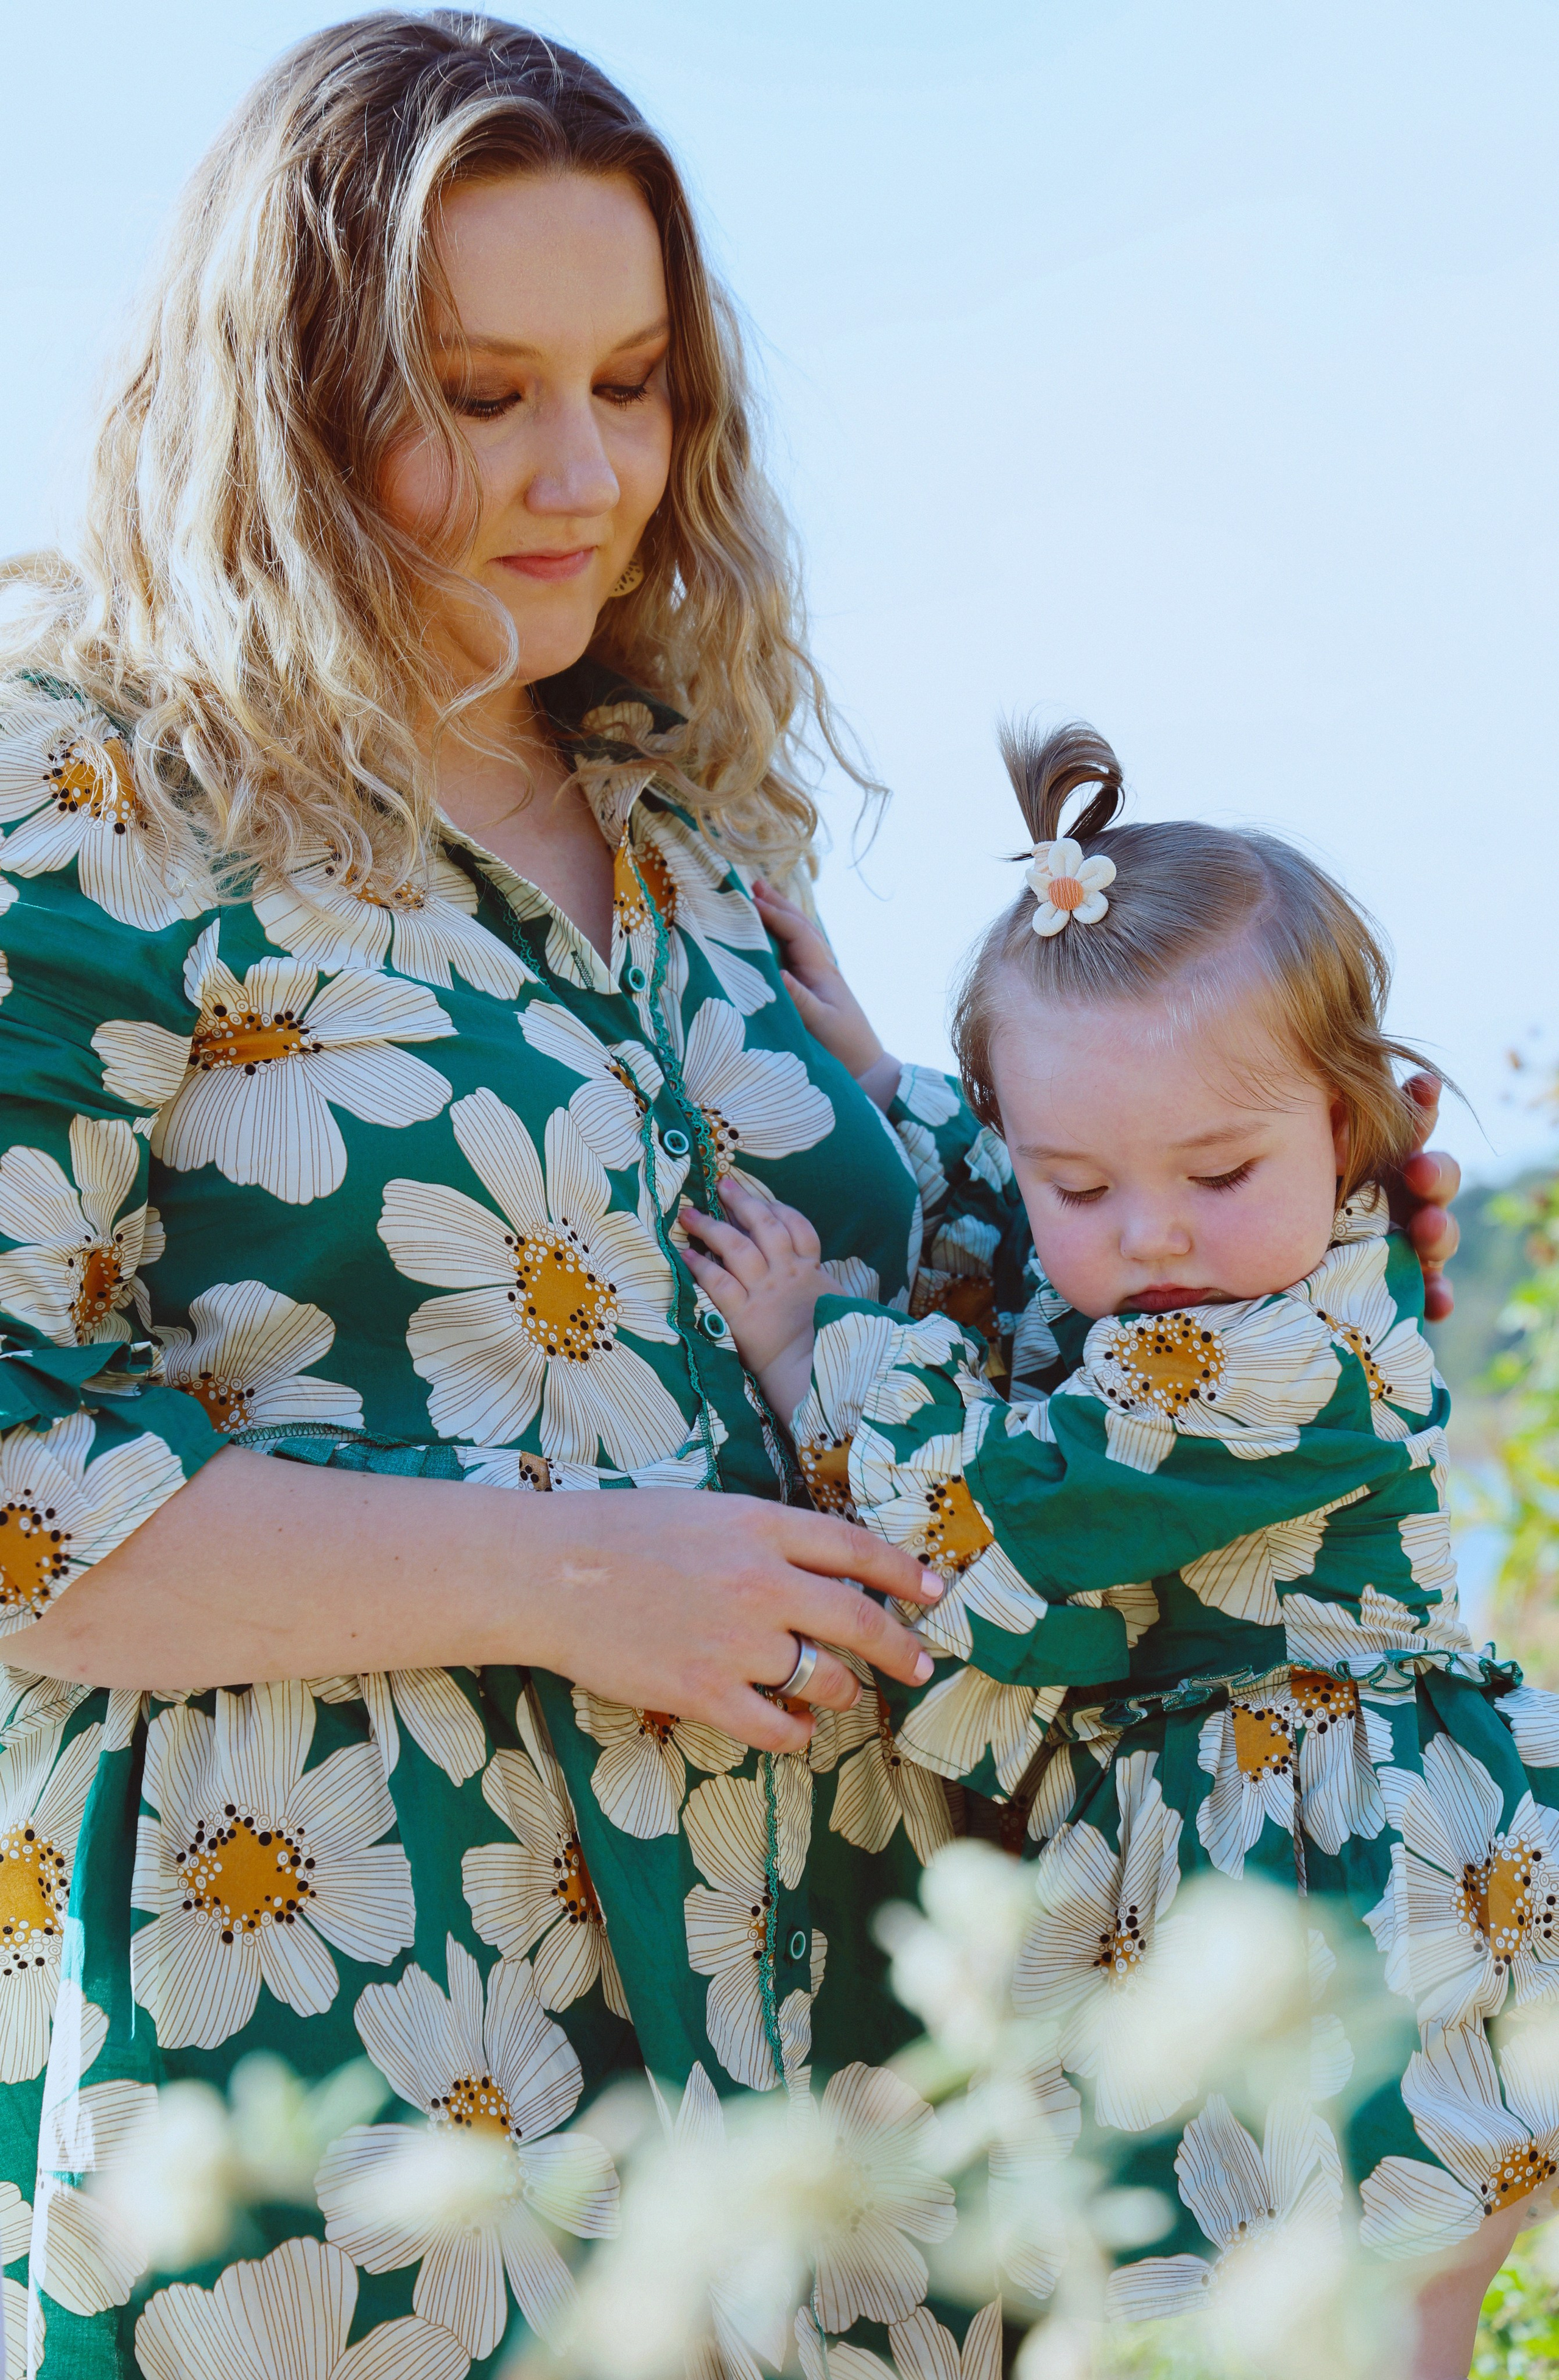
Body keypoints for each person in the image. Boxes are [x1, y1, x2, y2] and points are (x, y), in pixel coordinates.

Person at [0, 15, 1459, 2376]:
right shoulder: (98, 796)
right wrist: (586, 1579)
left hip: (845, 2075)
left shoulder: (705, 836)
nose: (579, 469)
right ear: (275, 391)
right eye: (476, 393)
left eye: (635, 380)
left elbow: (989, 1299)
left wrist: (1303, 1237)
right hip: (353, 2038)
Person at [681, 722, 1540, 2380]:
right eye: (1082, 1182)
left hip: (1348, 1868)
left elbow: (1006, 1523)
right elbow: (1008, 1181)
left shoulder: (1277, 1365)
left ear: (1359, 1130)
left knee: (1354, 2307)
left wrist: (808, 1365)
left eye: (1220, 1171)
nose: (1148, 1230)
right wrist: (873, 1081)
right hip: (1238, 1836)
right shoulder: (1181, 1275)